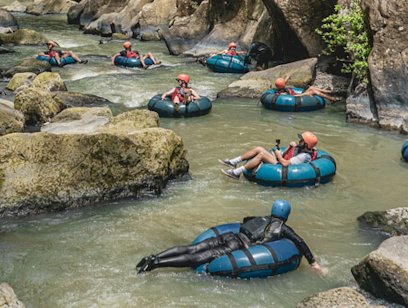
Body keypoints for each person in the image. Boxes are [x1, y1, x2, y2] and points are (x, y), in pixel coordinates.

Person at [136, 199, 326, 276]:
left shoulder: (259, 218)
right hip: (236, 246)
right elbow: (299, 242)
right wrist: (313, 263)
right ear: (286, 215)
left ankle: (155, 256)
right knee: (195, 259)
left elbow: (244, 221)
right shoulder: (283, 229)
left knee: (192, 248)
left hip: (230, 235)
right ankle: (157, 264)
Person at [219, 131, 318, 180]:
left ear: (306, 144)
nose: (299, 140)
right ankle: (233, 162)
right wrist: (289, 148)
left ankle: (236, 173)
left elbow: (285, 163)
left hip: (283, 168)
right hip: (280, 162)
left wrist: (278, 155)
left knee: (262, 154)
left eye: (302, 140)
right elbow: (286, 156)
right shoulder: (300, 148)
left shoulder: (304, 156)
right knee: (259, 148)